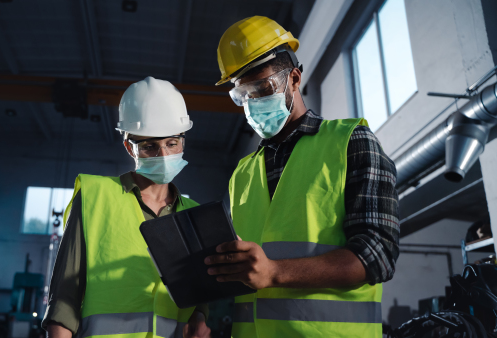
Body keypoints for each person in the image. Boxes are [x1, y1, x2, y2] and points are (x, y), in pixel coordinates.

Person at [205, 16, 399, 337]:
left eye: (262, 88)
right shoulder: (242, 173)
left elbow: (377, 255)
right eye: (243, 95)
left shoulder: (350, 142)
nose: (252, 103)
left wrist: (275, 273)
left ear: (294, 78)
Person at [42, 77, 211, 338]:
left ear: (183, 141)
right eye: (149, 146)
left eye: (172, 143)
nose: (163, 155)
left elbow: (198, 296)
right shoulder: (94, 196)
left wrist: (200, 316)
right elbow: (64, 299)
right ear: (128, 147)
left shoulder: (194, 215)